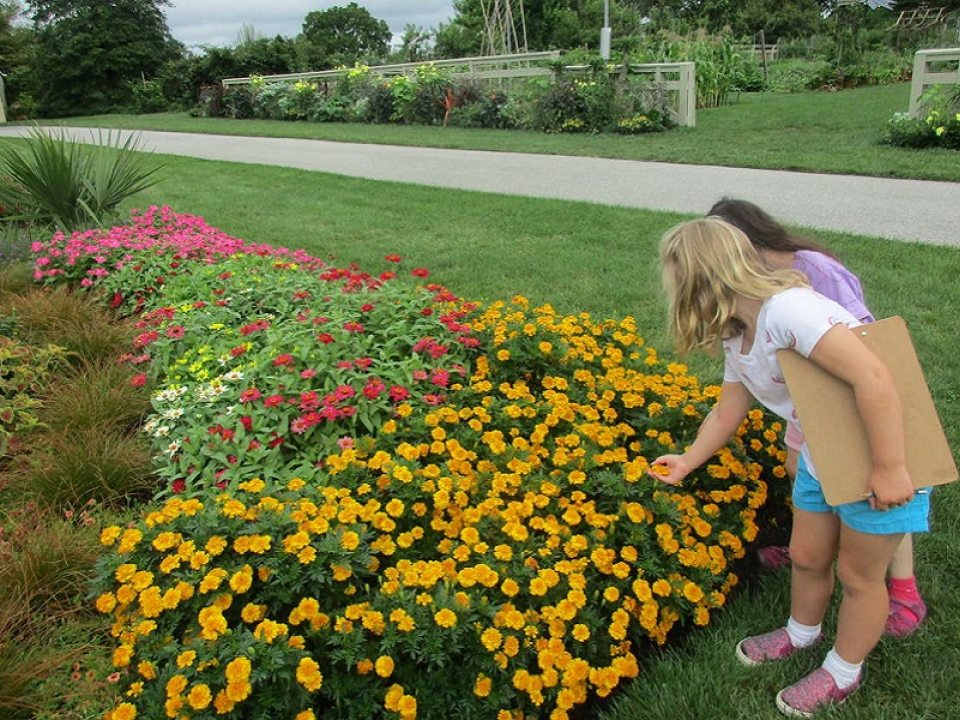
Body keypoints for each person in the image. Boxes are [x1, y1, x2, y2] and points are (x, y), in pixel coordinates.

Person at [650, 218, 930, 717]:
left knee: (859, 574)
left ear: (701, 279)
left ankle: (842, 671)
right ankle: (802, 633)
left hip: (880, 453)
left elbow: (875, 377)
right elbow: (727, 410)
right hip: (826, 451)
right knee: (805, 554)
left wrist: (889, 467)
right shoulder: (739, 333)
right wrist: (689, 460)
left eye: (676, 280)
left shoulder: (789, 311)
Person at [708, 197, 927, 639]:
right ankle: (815, 554)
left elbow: (868, 349)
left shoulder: (812, 273)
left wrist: (887, 460)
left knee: (880, 501)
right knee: (800, 473)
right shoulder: (752, 306)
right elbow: (746, 388)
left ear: (747, 243)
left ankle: (904, 588)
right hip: (806, 401)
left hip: (849, 398)